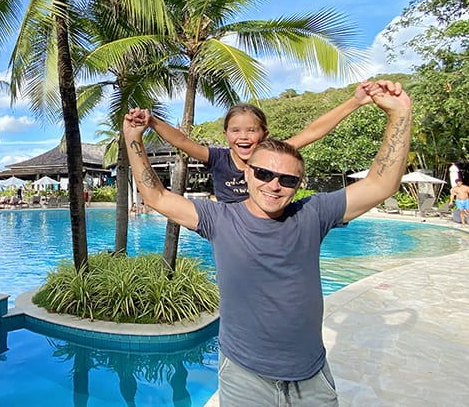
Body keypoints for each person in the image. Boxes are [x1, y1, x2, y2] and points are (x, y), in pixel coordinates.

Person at [123, 80, 411, 406]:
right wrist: (136, 136)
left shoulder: (312, 213)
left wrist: (399, 114)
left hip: (310, 377)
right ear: (247, 173)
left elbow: (379, 183)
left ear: (297, 182)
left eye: (287, 179)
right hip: (244, 376)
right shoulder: (219, 216)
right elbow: (156, 194)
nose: (274, 184)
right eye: (262, 174)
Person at [128, 82, 376, 203]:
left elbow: (312, 132)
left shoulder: (273, 155)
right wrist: (151, 122)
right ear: (226, 134)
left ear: (264, 135)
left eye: (251, 131)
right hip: (233, 229)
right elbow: (182, 140)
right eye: (236, 130)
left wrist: (354, 102)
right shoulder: (218, 158)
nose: (243, 137)